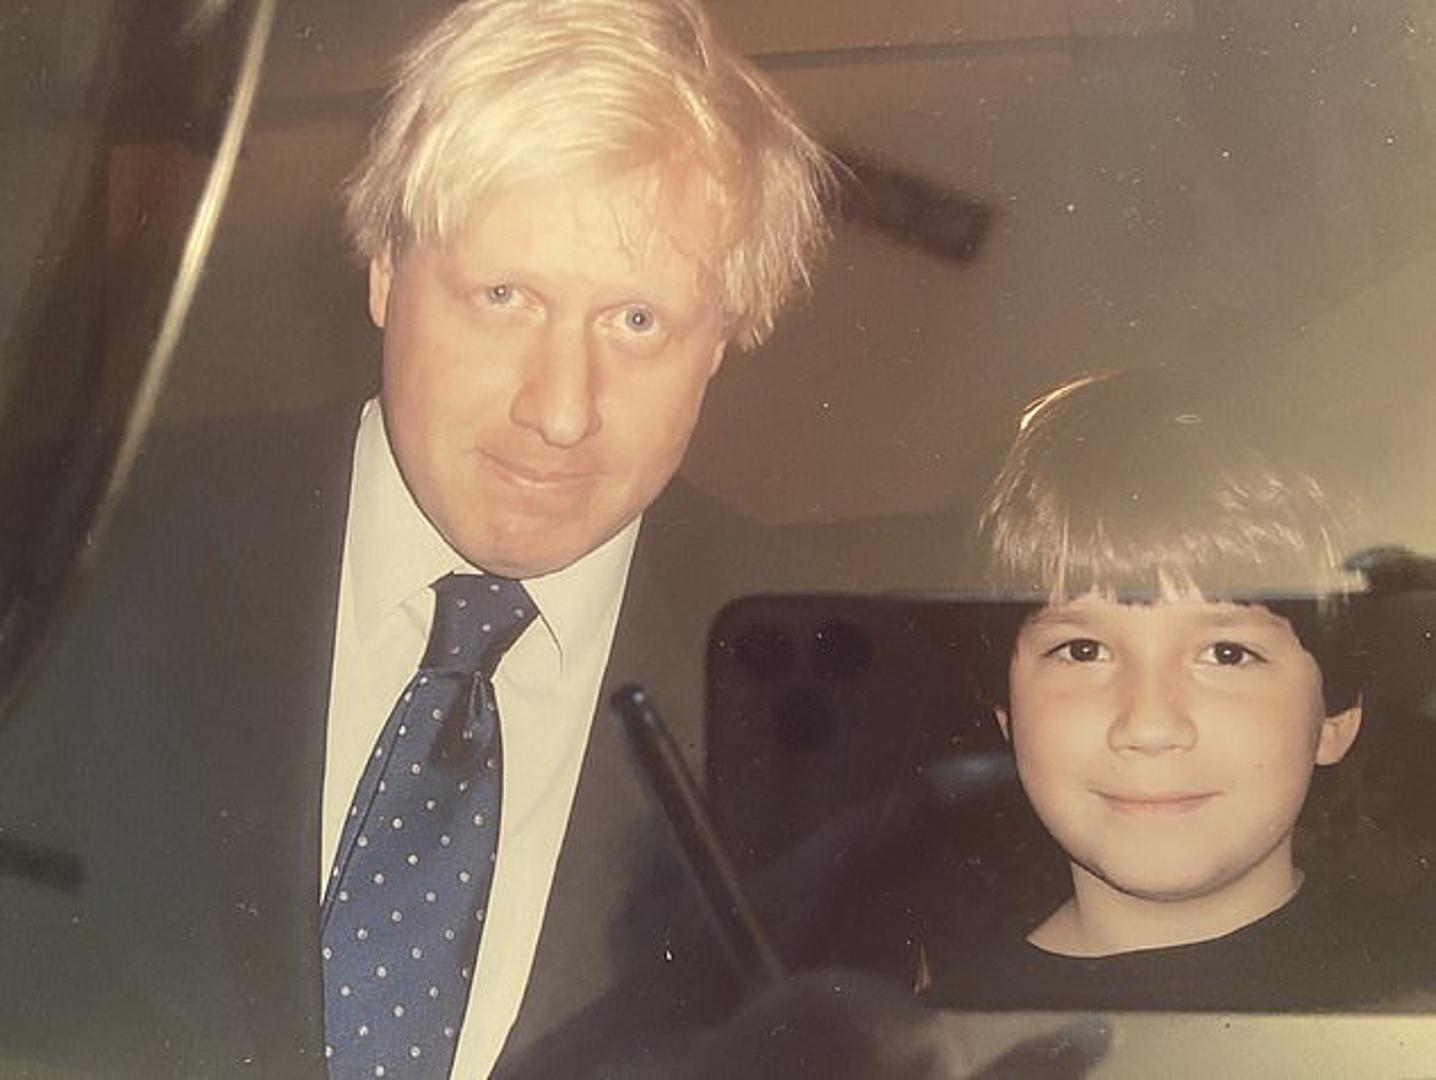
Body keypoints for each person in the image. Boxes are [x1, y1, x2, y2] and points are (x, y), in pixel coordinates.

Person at [0, 1, 833, 1076]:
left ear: (719, 338)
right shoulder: (67, 557)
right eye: (504, 296)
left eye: (638, 322)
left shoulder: (818, 693)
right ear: (385, 270)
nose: (561, 411)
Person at [927, 367, 1424, 1012]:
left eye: (1227, 653)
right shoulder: (942, 1042)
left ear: (1336, 716)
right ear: (1007, 713)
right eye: (1083, 650)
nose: (1149, 725)